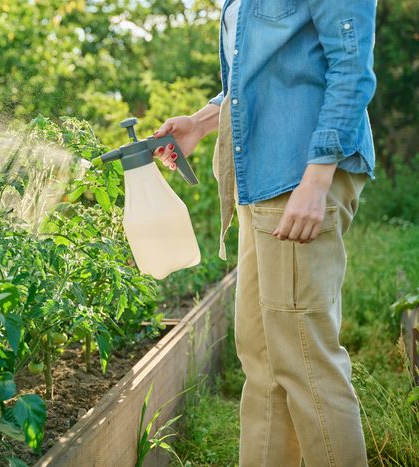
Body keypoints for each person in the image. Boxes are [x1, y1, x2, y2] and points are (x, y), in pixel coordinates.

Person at [152, 1, 377, 465]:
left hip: (299, 176)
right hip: (262, 178)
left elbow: (352, 67)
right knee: (264, 358)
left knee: (304, 360)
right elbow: (265, 71)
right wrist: (201, 121)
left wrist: (316, 180)